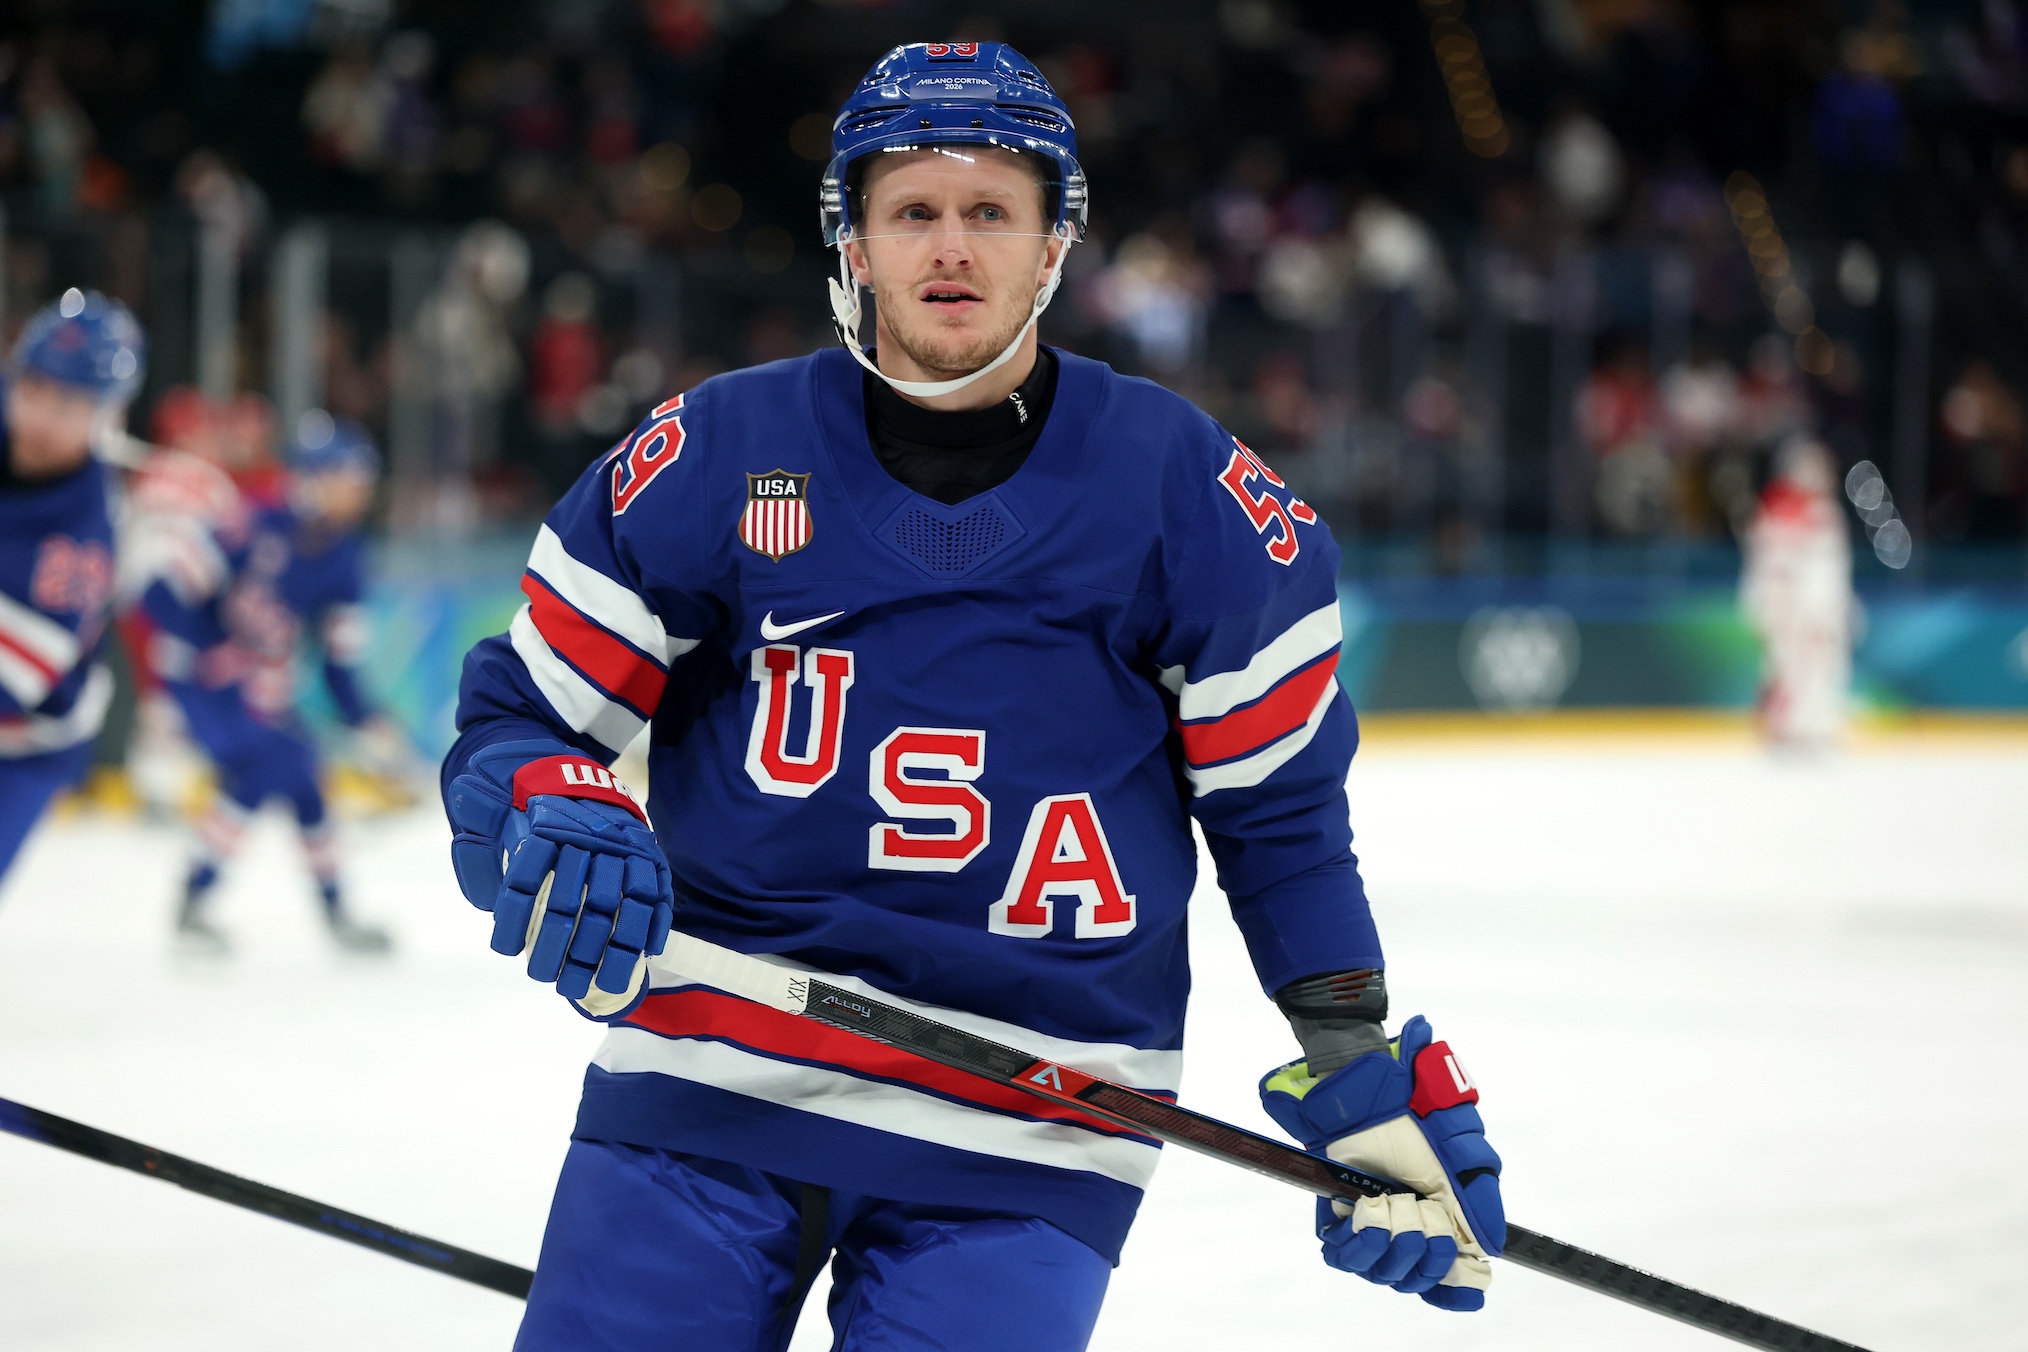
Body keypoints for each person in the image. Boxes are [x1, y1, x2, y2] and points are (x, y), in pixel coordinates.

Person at [443, 42, 1502, 1351]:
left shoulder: (1188, 492)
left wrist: (1350, 1052)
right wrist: (544, 799)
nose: (951, 247)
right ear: (853, 241)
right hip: (711, 1068)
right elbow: (522, 718)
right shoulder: (716, 454)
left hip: (1038, 1117)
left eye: (991, 210)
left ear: (1055, 243)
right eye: (914, 212)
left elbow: (1277, 814)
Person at [139, 410, 393, 953]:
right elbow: (159, 595)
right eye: (348, 478)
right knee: (271, 763)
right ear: (314, 478)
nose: (359, 492)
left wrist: (367, 717)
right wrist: (208, 650)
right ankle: (198, 898)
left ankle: (328, 910)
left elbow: (339, 661)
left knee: (303, 779)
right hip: (199, 682)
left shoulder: (347, 558)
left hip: (254, 692)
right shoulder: (250, 523)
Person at [0, 288, 144, 886]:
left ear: (106, 418)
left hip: (24, 747)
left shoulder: (82, 547)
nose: (39, 416)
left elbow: (13, 679)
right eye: (32, 389)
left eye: (67, 404)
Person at [1741, 436, 1855, 751]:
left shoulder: (1823, 512)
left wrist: (1842, 605)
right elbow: (1769, 566)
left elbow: (1834, 569)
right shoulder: (1779, 510)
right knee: (1786, 664)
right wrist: (1766, 602)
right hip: (1792, 607)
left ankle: (1815, 723)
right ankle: (1785, 725)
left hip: (1819, 608)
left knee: (1822, 666)